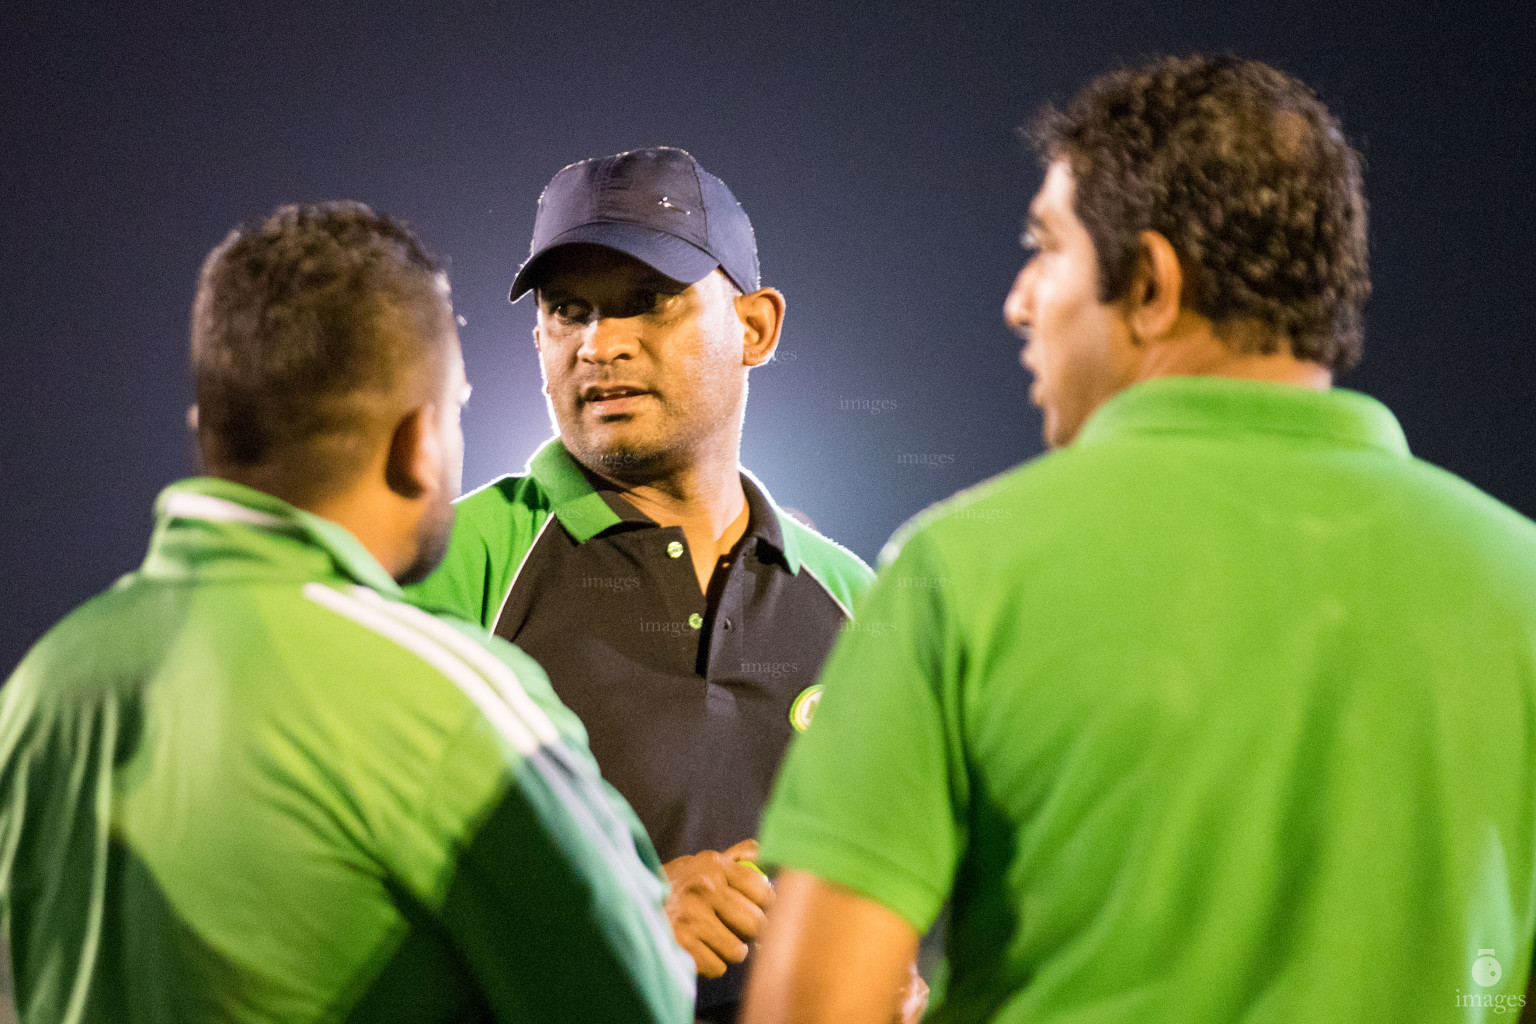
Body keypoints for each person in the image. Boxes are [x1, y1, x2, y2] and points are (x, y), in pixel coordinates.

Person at [743, 54, 1536, 1023]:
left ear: (1153, 285)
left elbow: (812, 1005)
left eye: (1046, 250)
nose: (1019, 301)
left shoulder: (963, 568)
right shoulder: (1519, 579)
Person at [0, 202, 694, 1023]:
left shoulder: (45, 685)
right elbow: (636, 1006)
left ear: (210, 428)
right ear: (420, 443)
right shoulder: (454, 700)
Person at [405, 147, 875, 1022]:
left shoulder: (858, 600)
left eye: (646, 302)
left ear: (756, 328)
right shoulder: (445, 569)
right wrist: (611, 924)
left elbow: (915, 886)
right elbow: (339, 897)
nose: (599, 344)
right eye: (567, 310)